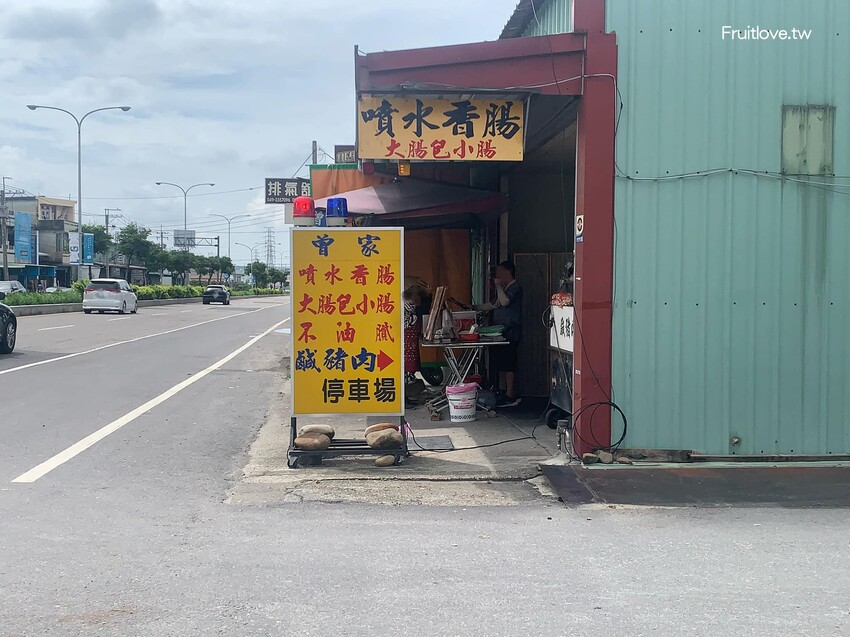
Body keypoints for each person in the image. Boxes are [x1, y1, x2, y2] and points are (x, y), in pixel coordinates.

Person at [475, 260, 523, 407]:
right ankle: (502, 390)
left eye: (500, 271)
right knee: (501, 362)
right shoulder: (505, 287)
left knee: (509, 363)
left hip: (511, 331)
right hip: (501, 330)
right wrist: (474, 307)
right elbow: (494, 304)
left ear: (508, 271)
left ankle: (510, 394)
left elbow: (504, 302)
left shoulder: (515, 287)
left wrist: (497, 286)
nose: (498, 274)